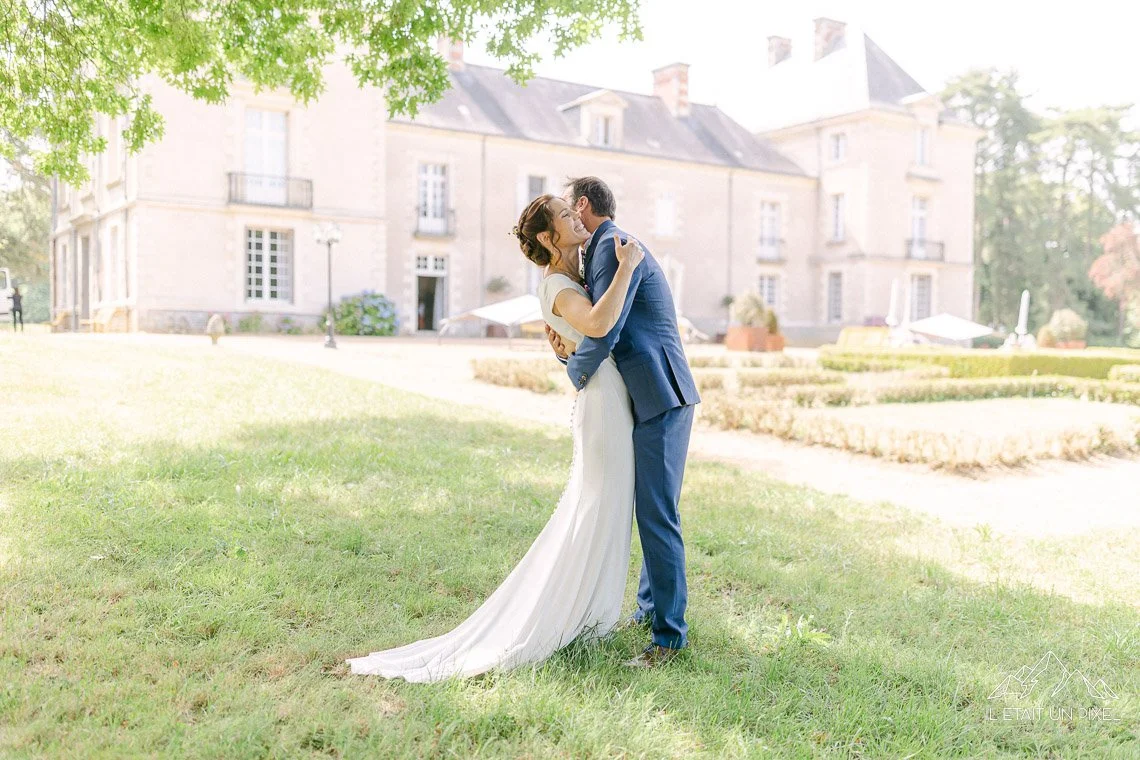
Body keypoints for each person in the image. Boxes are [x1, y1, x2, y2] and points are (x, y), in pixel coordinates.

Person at [346, 194, 646, 681]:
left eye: (576, 212)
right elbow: (596, 323)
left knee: (605, 506)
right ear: (549, 239)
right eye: (567, 217)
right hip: (603, 403)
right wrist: (628, 267)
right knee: (597, 505)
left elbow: (585, 334)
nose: (577, 218)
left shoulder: (573, 277)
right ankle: (573, 616)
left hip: (608, 395)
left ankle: (592, 615)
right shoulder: (555, 286)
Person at [548, 176, 701, 667]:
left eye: (572, 210)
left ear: (584, 205)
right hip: (649, 394)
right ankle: (650, 610)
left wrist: (574, 368)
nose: (571, 219)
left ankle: (668, 639)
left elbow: (605, 326)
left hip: (661, 392)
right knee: (652, 510)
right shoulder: (606, 248)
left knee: (657, 515)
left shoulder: (612, 246)